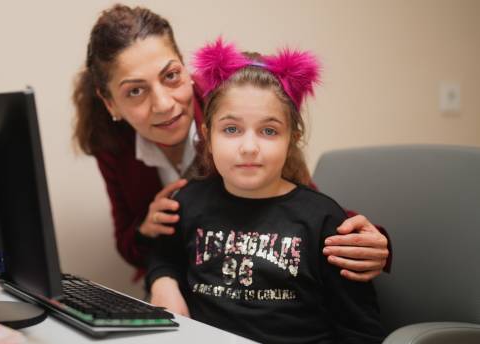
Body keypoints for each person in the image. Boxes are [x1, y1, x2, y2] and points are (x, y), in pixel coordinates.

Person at [72, 4, 390, 282]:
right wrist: (146, 229)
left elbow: (301, 205)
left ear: (185, 68)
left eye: (170, 76)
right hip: (179, 278)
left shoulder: (229, 110)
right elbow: (129, 246)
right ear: (110, 102)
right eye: (135, 91)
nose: (164, 104)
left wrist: (372, 242)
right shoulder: (111, 144)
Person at [146, 39, 385, 343]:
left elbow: (361, 330)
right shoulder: (188, 202)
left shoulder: (323, 221)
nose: (248, 148)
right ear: (207, 134)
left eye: (268, 131)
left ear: (292, 137)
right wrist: (163, 281)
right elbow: (164, 256)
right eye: (231, 129)